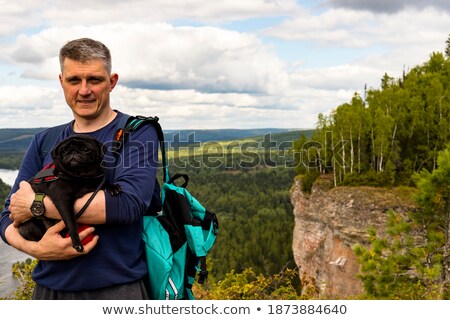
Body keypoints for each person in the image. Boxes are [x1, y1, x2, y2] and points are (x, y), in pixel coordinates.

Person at [0, 38, 158, 299]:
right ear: (62, 82)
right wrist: (36, 249)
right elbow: (7, 216)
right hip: (49, 290)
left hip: (117, 289)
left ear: (112, 81)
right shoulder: (46, 140)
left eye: (94, 80)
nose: (84, 90)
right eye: (74, 80)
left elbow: (128, 205)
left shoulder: (137, 133)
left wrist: (35, 205)